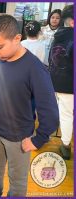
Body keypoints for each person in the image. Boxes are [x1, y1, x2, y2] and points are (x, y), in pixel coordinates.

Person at [0, 13, 59, 197]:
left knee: (17, 179)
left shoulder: (36, 69)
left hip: (19, 138)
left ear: (17, 38)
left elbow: (51, 114)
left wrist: (38, 139)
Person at [49, 5, 74, 160]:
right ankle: (65, 145)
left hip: (56, 80)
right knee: (66, 114)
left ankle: (63, 143)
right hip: (68, 83)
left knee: (63, 112)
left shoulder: (57, 35)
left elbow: (50, 58)